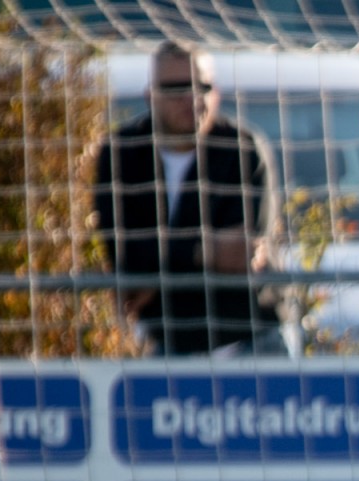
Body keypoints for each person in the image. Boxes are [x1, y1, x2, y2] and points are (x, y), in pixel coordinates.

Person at [94, 42, 280, 356]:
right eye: (177, 88)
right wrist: (204, 251)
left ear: (216, 92)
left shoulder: (243, 149)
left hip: (246, 336)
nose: (192, 99)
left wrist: (158, 267)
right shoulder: (122, 152)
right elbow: (126, 257)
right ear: (150, 95)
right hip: (162, 339)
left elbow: (241, 253)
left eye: (202, 87)